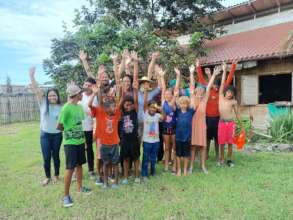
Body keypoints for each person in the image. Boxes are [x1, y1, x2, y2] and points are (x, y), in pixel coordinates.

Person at [57, 82, 92, 208]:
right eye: (80, 93)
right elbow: (59, 126)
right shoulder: (66, 108)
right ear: (76, 95)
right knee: (70, 168)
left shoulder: (79, 107)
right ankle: (66, 196)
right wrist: (69, 133)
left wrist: (83, 141)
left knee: (79, 165)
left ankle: (80, 188)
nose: (82, 94)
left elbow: (79, 125)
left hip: (80, 142)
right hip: (70, 143)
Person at [196, 59, 237, 160]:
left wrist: (233, 66)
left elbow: (228, 79)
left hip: (218, 119)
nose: (215, 87)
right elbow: (201, 80)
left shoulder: (221, 93)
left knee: (218, 138)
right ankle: (206, 155)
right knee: (207, 138)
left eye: (217, 85)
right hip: (207, 118)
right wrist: (198, 67)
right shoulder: (207, 91)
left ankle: (218, 155)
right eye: (214, 84)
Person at [29, 66, 63, 186]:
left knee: (56, 156)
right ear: (47, 97)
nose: (52, 97)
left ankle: (56, 175)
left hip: (57, 135)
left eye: (54, 95)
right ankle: (47, 177)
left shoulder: (61, 107)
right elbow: (37, 90)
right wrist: (32, 77)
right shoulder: (43, 103)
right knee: (46, 157)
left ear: (57, 96)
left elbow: (63, 122)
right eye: (50, 95)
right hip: (45, 135)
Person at [88, 83, 122, 189]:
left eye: (115, 106)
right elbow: (89, 105)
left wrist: (116, 92)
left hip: (115, 143)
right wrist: (94, 93)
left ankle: (115, 183)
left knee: (115, 163)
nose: (115, 107)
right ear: (106, 108)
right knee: (105, 163)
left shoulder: (117, 114)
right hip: (104, 144)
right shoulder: (100, 112)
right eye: (113, 106)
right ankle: (106, 183)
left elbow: (118, 102)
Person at [190, 65, 221, 174]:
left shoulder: (204, 100)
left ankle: (203, 166)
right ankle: (191, 166)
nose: (199, 90)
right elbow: (191, 84)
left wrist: (213, 75)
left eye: (201, 89)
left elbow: (208, 87)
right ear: (195, 90)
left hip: (202, 125)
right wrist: (191, 73)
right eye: (198, 89)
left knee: (203, 146)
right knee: (193, 147)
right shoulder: (192, 99)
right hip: (193, 125)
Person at [155, 65, 178, 173]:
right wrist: (161, 76)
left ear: (172, 95)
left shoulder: (173, 103)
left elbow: (176, 88)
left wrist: (178, 76)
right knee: (167, 148)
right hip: (165, 128)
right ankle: (166, 165)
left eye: (170, 94)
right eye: (166, 94)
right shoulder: (163, 102)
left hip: (173, 128)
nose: (168, 95)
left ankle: (173, 164)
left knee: (174, 147)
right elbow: (163, 88)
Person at [175, 67, 196, 176]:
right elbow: (176, 93)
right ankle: (178, 169)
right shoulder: (177, 111)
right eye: (181, 103)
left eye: (185, 103)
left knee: (186, 154)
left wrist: (191, 73)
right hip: (178, 136)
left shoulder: (191, 111)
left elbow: (192, 93)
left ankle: (185, 170)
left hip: (187, 137)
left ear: (187, 104)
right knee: (178, 154)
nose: (183, 105)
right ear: (179, 104)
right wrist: (178, 76)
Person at [141, 84, 165, 180]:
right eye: (150, 107)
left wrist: (160, 109)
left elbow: (164, 117)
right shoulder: (145, 114)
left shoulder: (157, 116)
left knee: (153, 158)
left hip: (155, 141)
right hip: (147, 141)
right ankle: (144, 174)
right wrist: (146, 91)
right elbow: (145, 103)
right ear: (148, 108)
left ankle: (153, 172)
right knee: (146, 158)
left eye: (154, 108)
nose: (152, 109)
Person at [218, 62, 240, 167]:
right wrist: (224, 70)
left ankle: (229, 160)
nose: (229, 94)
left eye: (231, 93)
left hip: (231, 124)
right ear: (225, 92)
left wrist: (239, 125)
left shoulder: (234, 102)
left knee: (230, 143)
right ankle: (221, 159)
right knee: (221, 143)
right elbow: (223, 84)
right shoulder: (221, 97)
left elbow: (237, 114)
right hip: (221, 123)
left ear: (233, 94)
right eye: (228, 92)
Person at [78, 77, 97, 180]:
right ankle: (77, 171)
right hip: (79, 128)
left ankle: (91, 170)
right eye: (85, 85)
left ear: (93, 87)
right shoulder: (79, 96)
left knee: (89, 149)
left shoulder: (96, 97)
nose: (87, 87)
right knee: (79, 149)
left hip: (90, 127)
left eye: (89, 85)